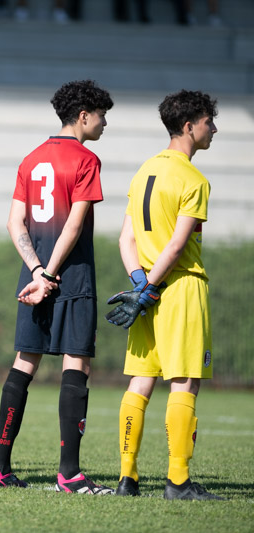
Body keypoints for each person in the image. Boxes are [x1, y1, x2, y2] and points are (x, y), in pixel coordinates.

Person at [0, 80, 114, 495]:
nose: (104, 123)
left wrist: (37, 271)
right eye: (101, 116)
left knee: (24, 363)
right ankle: (69, 474)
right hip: (71, 278)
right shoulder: (86, 159)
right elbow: (73, 226)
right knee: (76, 365)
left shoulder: (31, 159)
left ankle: (0, 470)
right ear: (83, 116)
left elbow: (14, 222)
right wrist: (52, 274)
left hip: (33, 278)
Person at [108, 90, 223, 500]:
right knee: (184, 382)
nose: (214, 129)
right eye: (209, 122)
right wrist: (151, 288)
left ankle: (127, 478)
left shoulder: (145, 171)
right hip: (179, 289)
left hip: (145, 291)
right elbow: (175, 247)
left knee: (140, 381)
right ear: (189, 126)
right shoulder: (193, 179)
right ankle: (177, 481)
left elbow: (125, 238)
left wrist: (140, 284)